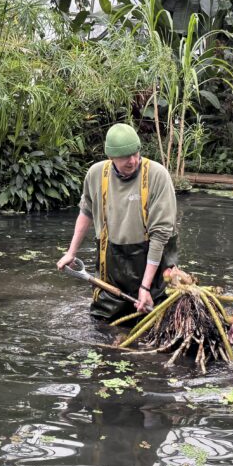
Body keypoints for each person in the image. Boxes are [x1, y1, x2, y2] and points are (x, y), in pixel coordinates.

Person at [56, 123, 178, 321]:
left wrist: (145, 287)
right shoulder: (95, 174)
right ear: (110, 157)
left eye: (136, 153)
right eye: (125, 157)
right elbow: (85, 212)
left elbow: (160, 235)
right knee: (103, 327)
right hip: (111, 264)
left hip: (152, 265)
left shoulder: (157, 175)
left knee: (154, 324)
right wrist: (71, 252)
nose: (133, 161)